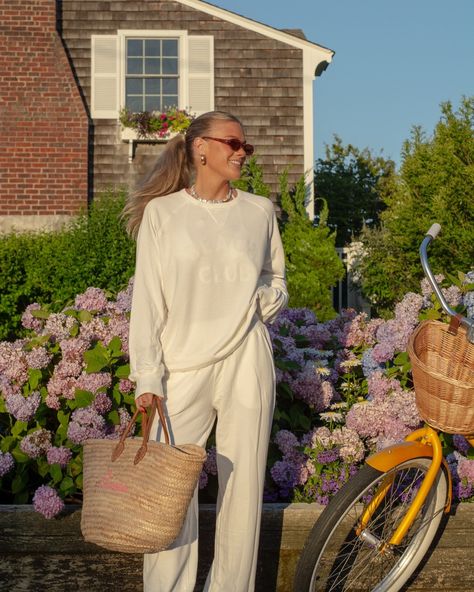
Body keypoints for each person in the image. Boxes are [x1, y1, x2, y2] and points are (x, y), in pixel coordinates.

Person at [124, 110, 288, 592]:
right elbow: (148, 302)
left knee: (243, 490)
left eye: (246, 147)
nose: (242, 153)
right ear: (201, 148)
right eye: (233, 143)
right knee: (169, 493)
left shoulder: (260, 212)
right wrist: (147, 377)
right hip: (181, 367)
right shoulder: (164, 213)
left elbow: (275, 279)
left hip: (246, 359)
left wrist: (260, 300)